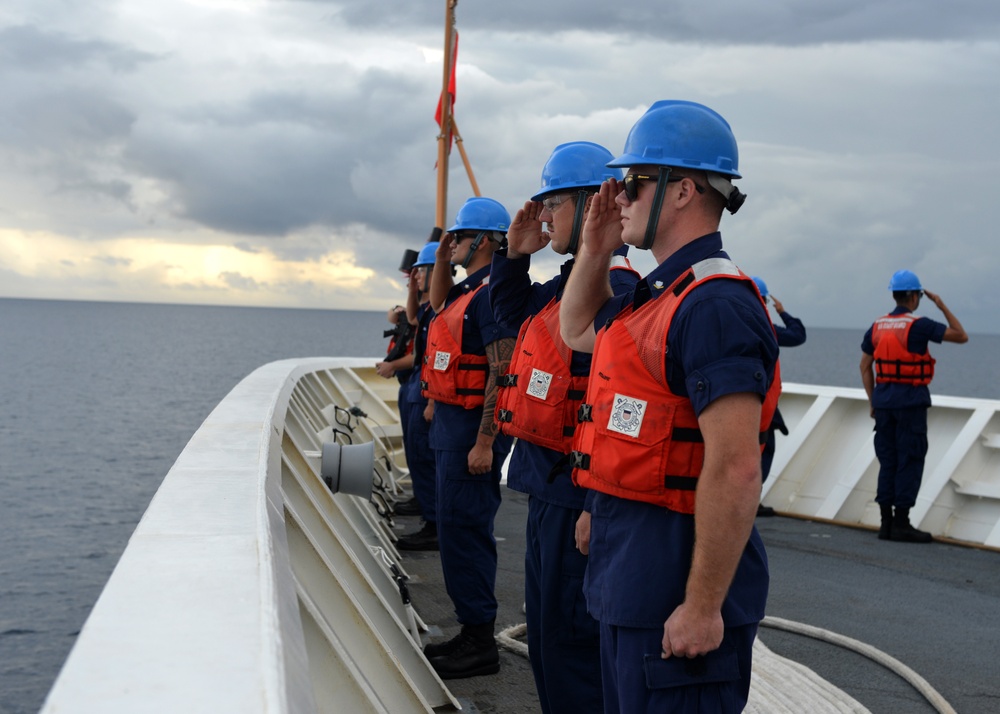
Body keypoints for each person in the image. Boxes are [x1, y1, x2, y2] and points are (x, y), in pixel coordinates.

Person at [558, 100, 779, 713]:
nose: (619, 197)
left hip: (671, 588)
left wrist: (704, 606)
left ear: (683, 191)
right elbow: (575, 330)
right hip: (631, 572)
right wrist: (596, 247)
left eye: (632, 183)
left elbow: (735, 465)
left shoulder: (713, 306)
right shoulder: (658, 296)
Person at [489, 142, 639, 713]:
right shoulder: (566, 290)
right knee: (551, 640)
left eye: (553, 202)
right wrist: (513, 257)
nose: (544, 214)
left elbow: (618, 406)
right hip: (547, 485)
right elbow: (506, 318)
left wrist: (595, 505)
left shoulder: (617, 292)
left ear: (590, 203)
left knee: (574, 647)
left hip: (576, 496)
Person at [419, 197, 518, 679]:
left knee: (468, 535)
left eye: (458, 237)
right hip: (451, 429)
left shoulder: (492, 296)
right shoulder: (465, 292)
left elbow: (502, 372)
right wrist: (440, 258)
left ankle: (480, 643)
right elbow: (437, 304)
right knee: (455, 536)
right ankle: (470, 630)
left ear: (482, 241)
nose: (451, 243)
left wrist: (485, 443)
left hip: (471, 437)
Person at [860, 269, 968, 542]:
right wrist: (941, 305)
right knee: (910, 459)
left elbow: (864, 366)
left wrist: (874, 401)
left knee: (888, 461)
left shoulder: (877, 325)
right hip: (910, 403)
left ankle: (886, 524)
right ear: (913, 296)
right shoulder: (918, 325)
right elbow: (960, 335)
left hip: (883, 403)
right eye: (919, 295)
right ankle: (902, 523)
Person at [395, 241, 441, 549]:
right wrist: (412, 288)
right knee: (415, 451)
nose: (417, 277)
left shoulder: (441, 306)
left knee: (425, 457)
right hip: (416, 386)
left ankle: (433, 523)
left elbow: (442, 357)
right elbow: (412, 319)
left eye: (422, 273)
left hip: (426, 390)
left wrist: (433, 399)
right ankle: (426, 509)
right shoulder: (426, 307)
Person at [752, 276, 807, 517]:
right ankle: (752, 501)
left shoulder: (733, 324)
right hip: (764, 405)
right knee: (764, 450)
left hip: (738, 402)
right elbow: (798, 335)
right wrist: (783, 312)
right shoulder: (768, 329)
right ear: (763, 301)